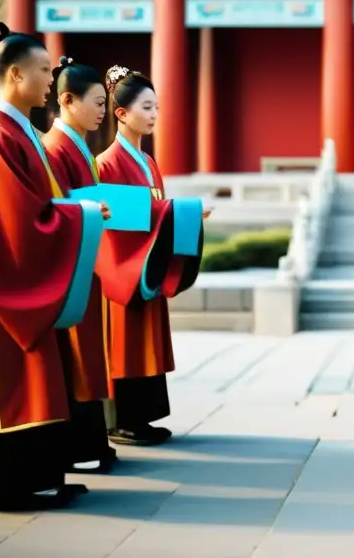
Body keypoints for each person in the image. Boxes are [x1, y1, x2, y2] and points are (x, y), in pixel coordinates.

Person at [0, 23, 106, 511]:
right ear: (16, 74)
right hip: (5, 289)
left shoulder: (17, 134)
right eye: (43, 72)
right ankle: (12, 485)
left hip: (22, 280)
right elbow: (21, 223)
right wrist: (80, 215)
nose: (50, 81)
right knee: (20, 382)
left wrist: (73, 214)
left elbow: (42, 209)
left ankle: (40, 476)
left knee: (43, 377)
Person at [95, 65, 205, 447]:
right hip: (124, 267)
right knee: (126, 343)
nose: (154, 115)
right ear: (121, 113)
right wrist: (176, 211)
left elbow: (155, 211)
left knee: (145, 342)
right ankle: (122, 420)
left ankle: (142, 417)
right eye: (146, 107)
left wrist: (179, 214)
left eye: (157, 107)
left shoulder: (148, 162)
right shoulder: (107, 162)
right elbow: (122, 217)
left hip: (147, 264)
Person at [41, 57, 117, 473]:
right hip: (70, 267)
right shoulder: (56, 148)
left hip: (85, 260)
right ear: (67, 102)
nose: (102, 111)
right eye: (97, 102)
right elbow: (56, 207)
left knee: (87, 354)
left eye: (105, 103)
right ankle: (80, 447)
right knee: (75, 355)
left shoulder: (78, 146)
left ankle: (92, 443)